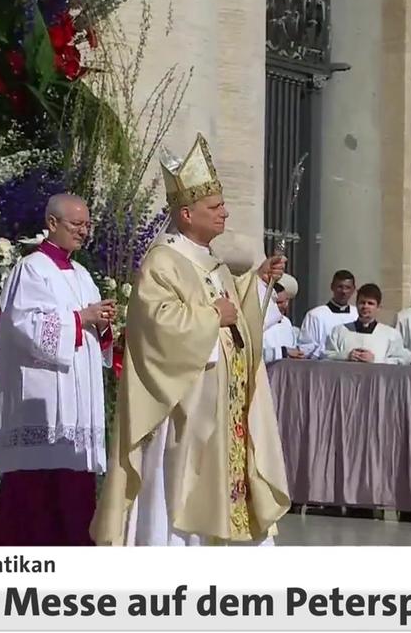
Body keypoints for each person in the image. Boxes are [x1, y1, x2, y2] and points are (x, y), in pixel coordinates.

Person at [91, 133, 290, 546]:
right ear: (186, 214)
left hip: (223, 409)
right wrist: (212, 317)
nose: (225, 213)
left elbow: (235, 313)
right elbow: (156, 327)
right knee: (180, 495)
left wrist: (256, 283)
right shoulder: (163, 261)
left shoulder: (213, 264)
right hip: (184, 411)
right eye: (214, 207)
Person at [0, 193, 115, 546]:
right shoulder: (31, 269)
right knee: (36, 495)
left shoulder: (82, 274)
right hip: (43, 397)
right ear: (52, 223)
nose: (83, 231)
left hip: (78, 399)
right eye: (76, 224)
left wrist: (103, 322)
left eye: (87, 225)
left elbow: (91, 329)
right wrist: (81, 318)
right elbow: (24, 325)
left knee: (75, 492)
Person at [324, 284, 411, 365]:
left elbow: (399, 361)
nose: (365, 306)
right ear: (356, 304)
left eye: (370, 303)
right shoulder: (339, 331)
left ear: (378, 307)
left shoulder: (391, 335)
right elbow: (325, 356)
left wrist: (375, 360)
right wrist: (346, 356)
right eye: (362, 302)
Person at [299, 270, 356, 358]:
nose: (343, 291)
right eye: (340, 287)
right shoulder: (315, 315)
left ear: (353, 290)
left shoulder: (357, 314)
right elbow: (305, 348)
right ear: (332, 287)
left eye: (348, 287)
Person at [262, 273, 313, 362]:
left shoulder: (286, 322)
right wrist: (283, 352)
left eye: (286, 301)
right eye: (279, 302)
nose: (285, 306)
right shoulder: (259, 325)